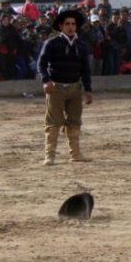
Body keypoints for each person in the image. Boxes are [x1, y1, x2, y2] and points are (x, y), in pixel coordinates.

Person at [37, 9, 93, 166]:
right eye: (67, 24)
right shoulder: (51, 43)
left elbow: (86, 70)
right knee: (53, 122)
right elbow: (41, 64)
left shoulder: (81, 45)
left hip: (75, 87)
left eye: (73, 24)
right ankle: (49, 155)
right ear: (61, 26)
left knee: (75, 121)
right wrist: (46, 81)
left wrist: (88, 89)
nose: (71, 27)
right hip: (56, 88)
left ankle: (75, 154)